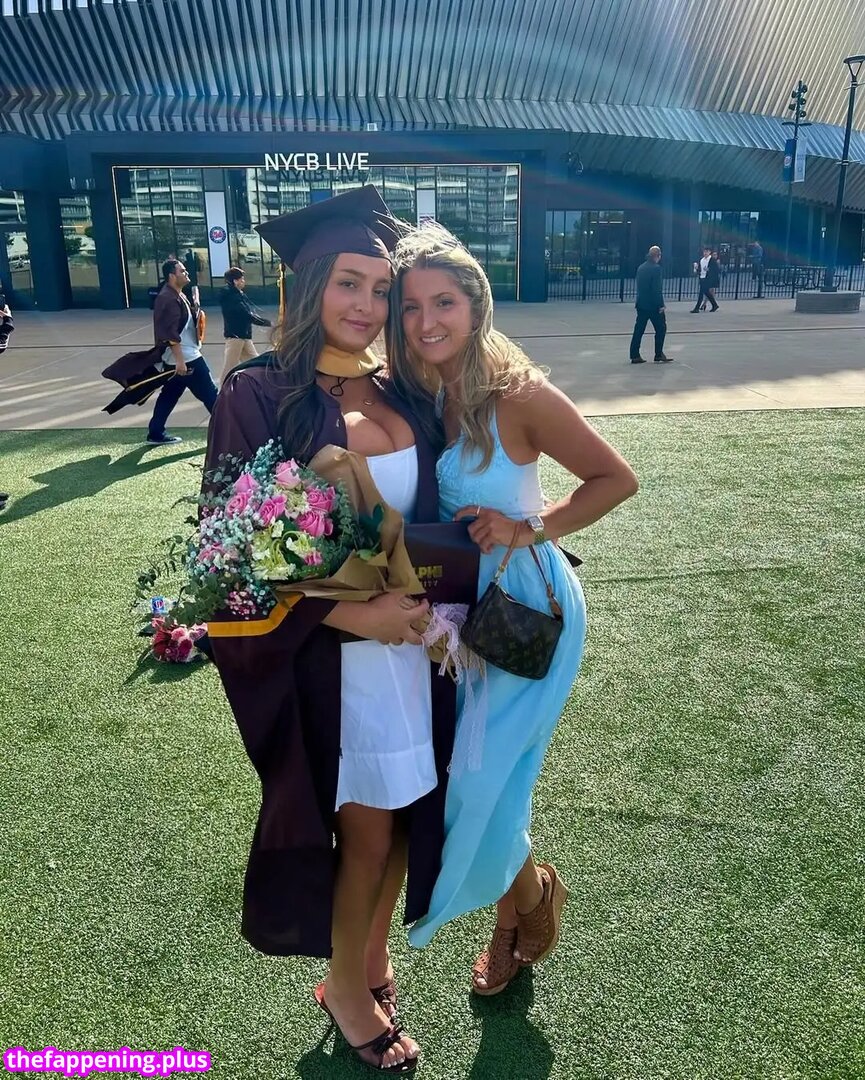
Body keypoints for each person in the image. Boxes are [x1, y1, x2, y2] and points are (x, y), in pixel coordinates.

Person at [205, 187, 463, 1073]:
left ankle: (369, 960)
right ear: (310, 284)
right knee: (366, 831)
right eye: (349, 282)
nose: (366, 304)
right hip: (334, 663)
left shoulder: (404, 390)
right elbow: (231, 558)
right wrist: (358, 614)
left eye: (381, 288)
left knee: (404, 822)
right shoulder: (259, 394)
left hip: (416, 652)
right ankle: (346, 990)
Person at [386, 224, 639, 994]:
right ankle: (530, 899)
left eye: (443, 302)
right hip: (453, 611)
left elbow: (614, 479)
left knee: (479, 783)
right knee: (467, 776)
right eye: (410, 307)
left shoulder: (518, 394)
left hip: (526, 610)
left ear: (475, 304)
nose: (426, 321)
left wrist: (528, 526)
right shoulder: (418, 391)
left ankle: (517, 915)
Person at [146, 259, 219, 446]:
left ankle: (155, 432)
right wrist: (180, 361)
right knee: (210, 394)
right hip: (186, 358)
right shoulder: (168, 298)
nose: (186, 273)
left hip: (179, 357)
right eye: (182, 271)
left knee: (169, 395)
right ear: (172, 275)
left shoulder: (176, 294)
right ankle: (227, 431)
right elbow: (170, 333)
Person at [218, 266, 272, 382]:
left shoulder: (237, 295)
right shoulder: (231, 297)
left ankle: (262, 384)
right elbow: (246, 315)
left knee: (255, 363)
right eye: (241, 279)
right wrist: (267, 323)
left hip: (243, 336)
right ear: (235, 281)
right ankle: (222, 391)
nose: (243, 281)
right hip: (236, 337)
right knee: (229, 368)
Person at [629, 245, 671, 363]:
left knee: (639, 330)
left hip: (641, 304)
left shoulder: (641, 267)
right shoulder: (656, 269)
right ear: (658, 256)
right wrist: (661, 305)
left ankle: (634, 354)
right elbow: (656, 289)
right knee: (661, 328)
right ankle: (658, 353)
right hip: (653, 306)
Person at [691, 246, 717, 313]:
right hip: (702, 277)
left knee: (701, 293)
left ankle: (697, 308)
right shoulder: (701, 260)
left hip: (708, 278)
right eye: (704, 251)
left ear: (709, 252)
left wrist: (709, 270)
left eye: (707, 251)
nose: (705, 253)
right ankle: (715, 305)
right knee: (706, 292)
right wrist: (696, 268)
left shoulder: (712, 260)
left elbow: (715, 269)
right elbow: (700, 270)